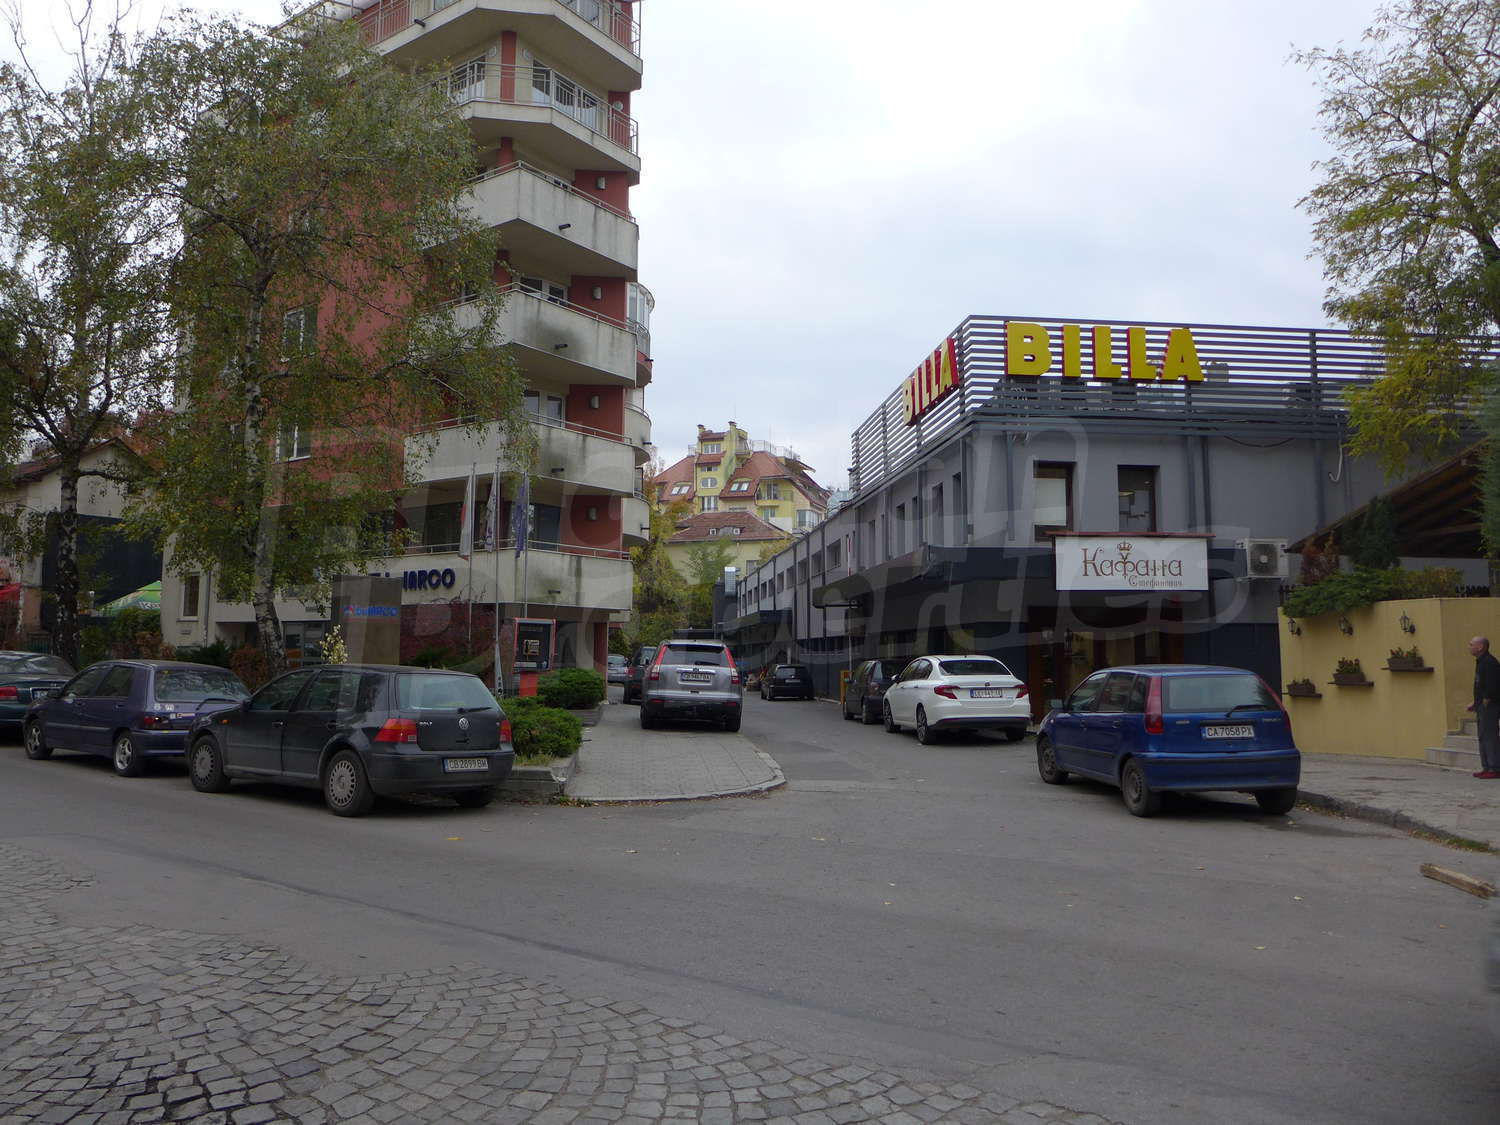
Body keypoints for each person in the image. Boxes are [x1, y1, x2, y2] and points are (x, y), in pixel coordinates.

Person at [1466, 636, 1500, 779]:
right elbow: (1480, 685)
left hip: (1490, 705)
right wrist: (1475, 702)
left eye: (1471, 644)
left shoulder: (1490, 662)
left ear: (1480, 647)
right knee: (1482, 736)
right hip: (1481, 704)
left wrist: (1486, 699)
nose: (1469, 647)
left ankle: (1495, 768)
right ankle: (1486, 767)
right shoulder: (1480, 662)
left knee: (1489, 736)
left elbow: (1493, 683)